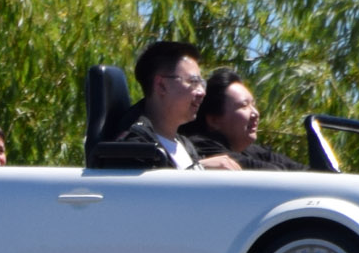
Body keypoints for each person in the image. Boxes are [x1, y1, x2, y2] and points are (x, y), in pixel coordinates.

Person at [118, 40, 239, 170]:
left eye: (202, 83)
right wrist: (200, 168)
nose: (202, 92)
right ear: (161, 85)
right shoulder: (136, 146)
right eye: (193, 81)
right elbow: (154, 189)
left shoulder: (185, 145)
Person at [194, 66, 301, 171]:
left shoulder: (250, 150)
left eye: (253, 105)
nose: (255, 113)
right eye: (244, 106)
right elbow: (270, 172)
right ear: (214, 120)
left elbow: (300, 169)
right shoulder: (202, 147)